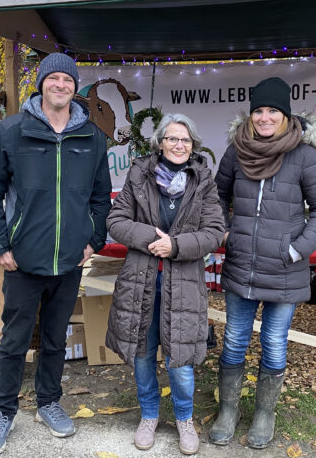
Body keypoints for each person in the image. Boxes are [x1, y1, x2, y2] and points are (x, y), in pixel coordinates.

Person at [0, 52, 112, 457]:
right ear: (41, 84)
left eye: (67, 80)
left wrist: (92, 239)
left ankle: (49, 402)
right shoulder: (13, 131)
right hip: (23, 260)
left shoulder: (91, 138)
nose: (60, 86)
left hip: (69, 260)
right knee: (14, 341)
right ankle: (3, 412)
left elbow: (101, 197)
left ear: (74, 87)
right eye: (53, 79)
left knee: (55, 339)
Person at [210, 77, 316, 449]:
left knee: (274, 342)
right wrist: (225, 232)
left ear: (285, 115)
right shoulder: (236, 151)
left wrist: (297, 249)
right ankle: (228, 410)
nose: (265, 118)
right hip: (242, 265)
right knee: (233, 340)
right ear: (251, 116)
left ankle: (264, 413)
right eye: (259, 111)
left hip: (284, 269)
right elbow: (217, 194)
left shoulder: (305, 156)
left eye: (273, 111)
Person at [105, 113, 225, 455]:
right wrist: (148, 238)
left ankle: (185, 419)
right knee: (143, 354)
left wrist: (176, 246)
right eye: (172, 138)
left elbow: (215, 231)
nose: (178, 145)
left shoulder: (203, 181)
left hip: (183, 282)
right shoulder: (139, 174)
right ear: (160, 143)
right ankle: (149, 415)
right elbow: (116, 219)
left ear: (193, 146)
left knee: (181, 358)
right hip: (141, 281)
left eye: (185, 140)